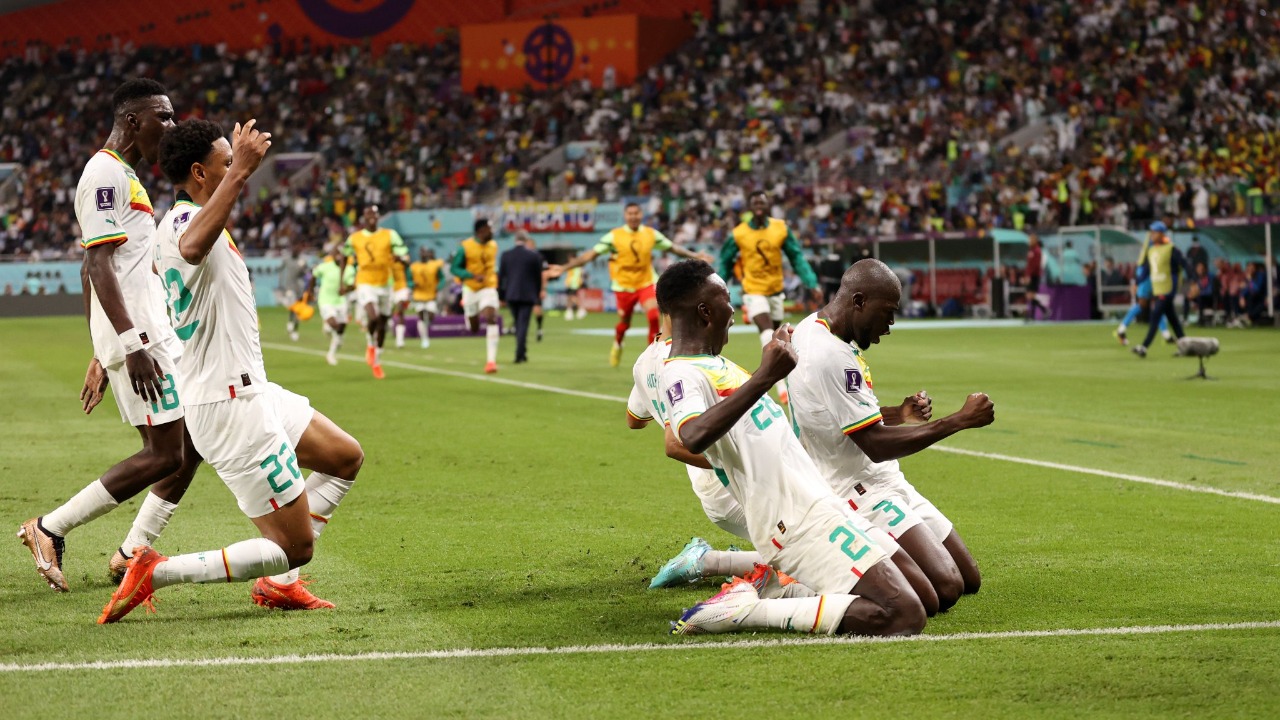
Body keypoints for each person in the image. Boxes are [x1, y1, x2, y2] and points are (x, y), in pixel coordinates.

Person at [104, 117, 364, 623]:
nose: (235, 168)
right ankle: (157, 570)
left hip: (248, 389)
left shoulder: (181, 224)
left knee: (344, 457)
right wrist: (242, 171)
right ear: (199, 173)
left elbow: (170, 267)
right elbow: (191, 248)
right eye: (225, 162)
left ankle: (280, 584)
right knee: (295, 547)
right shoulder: (184, 223)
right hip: (229, 404)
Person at [657, 259, 927, 637]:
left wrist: (773, 361)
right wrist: (765, 376)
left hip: (818, 498)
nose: (734, 309)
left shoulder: (715, 364)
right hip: (792, 519)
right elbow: (692, 434)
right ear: (705, 311)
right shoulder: (680, 372)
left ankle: (780, 587)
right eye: (727, 299)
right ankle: (746, 611)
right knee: (904, 614)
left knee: (926, 594)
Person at [18, 78, 200, 593]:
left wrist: (102, 350)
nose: (172, 125)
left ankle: (130, 553)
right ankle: (50, 528)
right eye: (164, 116)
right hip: (142, 338)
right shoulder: (103, 173)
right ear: (133, 121)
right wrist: (129, 344)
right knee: (167, 453)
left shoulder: (124, 174)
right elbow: (97, 264)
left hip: (143, 332)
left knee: (188, 445)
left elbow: (91, 270)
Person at [789, 259, 992, 611]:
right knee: (946, 589)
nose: (891, 324)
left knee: (968, 579)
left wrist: (899, 414)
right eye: (888, 312)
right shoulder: (828, 354)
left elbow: (842, 416)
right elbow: (875, 445)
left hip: (883, 479)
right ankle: (796, 576)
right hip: (855, 490)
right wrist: (958, 420)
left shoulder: (819, 330)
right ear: (859, 301)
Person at [550, 202, 708, 367]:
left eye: (636, 213)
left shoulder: (650, 234)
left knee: (653, 316)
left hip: (646, 282)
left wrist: (695, 255)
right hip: (623, 286)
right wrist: (564, 267)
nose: (633, 216)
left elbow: (672, 248)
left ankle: (652, 360)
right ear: (625, 216)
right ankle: (618, 343)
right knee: (624, 324)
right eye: (630, 213)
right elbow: (590, 255)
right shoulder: (614, 236)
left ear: (641, 215)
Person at [718, 190, 822, 402]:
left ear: (768, 206)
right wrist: (719, 286)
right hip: (753, 290)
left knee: (778, 338)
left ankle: (783, 378)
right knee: (767, 334)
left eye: (762, 203)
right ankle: (781, 387)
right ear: (750, 207)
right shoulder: (739, 233)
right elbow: (726, 262)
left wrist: (811, 282)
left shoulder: (780, 228)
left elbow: (796, 257)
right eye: (755, 203)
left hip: (775, 292)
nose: (759, 206)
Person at [342, 205, 408, 379]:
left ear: (378, 217)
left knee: (383, 323)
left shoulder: (390, 234)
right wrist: (343, 280)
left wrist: (401, 258)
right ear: (363, 217)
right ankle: (370, 343)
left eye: (375, 213)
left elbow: (403, 253)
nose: (372, 216)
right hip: (365, 282)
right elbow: (344, 256)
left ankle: (377, 360)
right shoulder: (355, 238)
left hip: (385, 283)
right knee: (374, 316)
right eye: (368, 214)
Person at [1133, 221, 1196, 358]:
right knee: (1173, 319)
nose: (1152, 235)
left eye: (1154, 232)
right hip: (1157, 288)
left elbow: (1185, 264)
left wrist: (1193, 282)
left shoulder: (1171, 249)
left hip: (1167, 288)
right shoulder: (1151, 250)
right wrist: (1136, 283)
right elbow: (1147, 270)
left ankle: (1144, 347)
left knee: (1155, 315)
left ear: (1162, 234)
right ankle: (1186, 347)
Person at [451, 218, 500, 373]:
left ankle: (491, 362)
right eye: (489, 229)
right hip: (471, 289)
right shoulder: (465, 247)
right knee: (474, 328)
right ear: (481, 230)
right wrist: (471, 275)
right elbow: (454, 269)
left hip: (488, 287)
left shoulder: (494, 245)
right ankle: (469, 315)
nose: (492, 232)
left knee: (491, 317)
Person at [497, 232, 546, 364]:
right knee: (523, 323)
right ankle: (520, 353)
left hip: (511, 294)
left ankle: (521, 351)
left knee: (518, 322)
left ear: (515, 239)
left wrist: (501, 296)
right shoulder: (534, 256)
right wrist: (537, 294)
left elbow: (501, 277)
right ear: (526, 240)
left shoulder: (506, 255)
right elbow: (538, 278)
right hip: (528, 295)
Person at [307, 248, 349, 366]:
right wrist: (310, 291)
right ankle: (329, 329)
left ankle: (331, 353)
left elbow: (352, 284)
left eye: (341, 255)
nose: (339, 257)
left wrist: (346, 289)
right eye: (337, 254)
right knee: (334, 325)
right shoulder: (325, 266)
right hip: (326, 300)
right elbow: (314, 275)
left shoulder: (348, 269)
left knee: (341, 328)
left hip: (341, 301)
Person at [1114, 261, 1170, 345]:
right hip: (1147, 277)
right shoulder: (1147, 256)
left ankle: (1166, 335)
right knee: (1144, 304)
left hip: (1152, 276)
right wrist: (1137, 283)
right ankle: (1121, 329)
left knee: (1157, 305)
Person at [409, 247, 446, 349]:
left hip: (430, 295)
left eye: (425, 253)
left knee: (430, 315)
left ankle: (425, 329)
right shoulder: (414, 266)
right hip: (419, 295)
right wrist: (412, 284)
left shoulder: (434, 265)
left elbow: (442, 278)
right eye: (422, 253)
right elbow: (408, 279)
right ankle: (424, 338)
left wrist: (438, 286)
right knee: (421, 316)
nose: (424, 255)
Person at [276, 248, 306, 341]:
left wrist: (302, 268)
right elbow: (280, 269)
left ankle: (294, 328)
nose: (294, 251)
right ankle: (290, 324)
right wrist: (281, 283)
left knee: (298, 309)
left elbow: (304, 274)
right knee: (293, 307)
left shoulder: (302, 261)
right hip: (290, 288)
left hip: (299, 288)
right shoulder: (287, 260)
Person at [389, 255, 412, 348]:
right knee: (387, 312)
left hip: (401, 287)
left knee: (400, 310)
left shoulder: (401, 255)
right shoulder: (385, 255)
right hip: (389, 287)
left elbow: (408, 264)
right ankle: (389, 323)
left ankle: (400, 339)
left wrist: (400, 259)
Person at [1024, 234, 1049, 320]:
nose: (1029, 241)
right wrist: (1026, 275)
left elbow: (1035, 265)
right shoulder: (1030, 250)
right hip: (1031, 275)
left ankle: (1033, 314)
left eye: (1030, 240)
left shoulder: (1037, 251)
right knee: (1031, 295)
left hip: (1034, 276)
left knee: (1030, 295)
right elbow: (1029, 265)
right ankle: (1039, 312)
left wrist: (1029, 275)